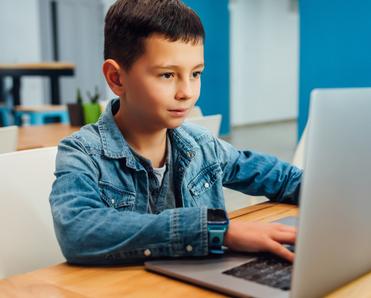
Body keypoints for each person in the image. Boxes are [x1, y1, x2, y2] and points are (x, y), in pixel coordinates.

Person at [50, 0, 302, 265]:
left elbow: (283, 178)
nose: (187, 92)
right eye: (167, 75)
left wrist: (337, 195)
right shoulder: (81, 153)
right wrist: (217, 230)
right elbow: (77, 231)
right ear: (116, 78)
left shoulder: (202, 145)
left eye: (196, 74)